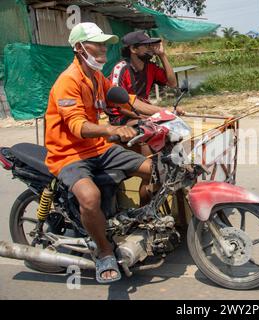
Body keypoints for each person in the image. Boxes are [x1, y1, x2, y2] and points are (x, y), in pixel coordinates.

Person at [44, 22, 156, 284]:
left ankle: (139, 221)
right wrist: (112, 130)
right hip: (69, 154)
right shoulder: (67, 82)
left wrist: (163, 113)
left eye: (105, 43)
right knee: (90, 197)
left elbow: (127, 99)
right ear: (79, 47)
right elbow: (78, 127)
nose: (104, 48)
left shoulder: (95, 77)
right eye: (98, 43)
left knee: (155, 168)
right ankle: (104, 252)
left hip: (97, 149)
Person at [108, 30, 182, 127]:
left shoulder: (150, 67)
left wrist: (162, 55)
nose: (151, 48)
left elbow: (172, 83)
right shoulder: (121, 68)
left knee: (171, 126)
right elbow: (120, 104)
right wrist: (163, 112)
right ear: (134, 49)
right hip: (122, 117)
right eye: (147, 45)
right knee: (153, 128)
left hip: (142, 114)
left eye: (151, 45)